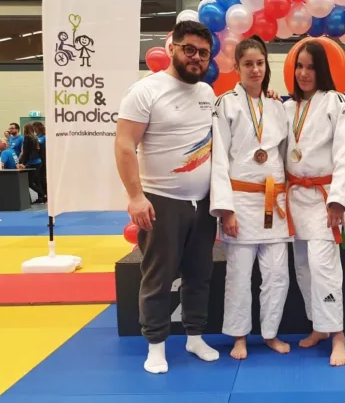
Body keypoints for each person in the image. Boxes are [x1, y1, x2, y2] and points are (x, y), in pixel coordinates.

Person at [114, 20, 220, 374]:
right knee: (158, 277)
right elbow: (124, 145)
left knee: (199, 275)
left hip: (202, 203)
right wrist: (135, 196)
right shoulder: (146, 91)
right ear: (172, 47)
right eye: (189, 49)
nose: (196, 58)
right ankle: (156, 344)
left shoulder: (207, 93)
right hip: (161, 201)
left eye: (203, 53)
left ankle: (194, 336)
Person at [210, 36, 292, 360]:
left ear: (266, 65)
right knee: (239, 276)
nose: (255, 69)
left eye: (260, 63)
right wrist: (225, 210)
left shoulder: (277, 105)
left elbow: (284, 155)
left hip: (274, 201)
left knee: (277, 274)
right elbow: (219, 159)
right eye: (248, 64)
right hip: (241, 202)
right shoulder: (225, 104)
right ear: (237, 67)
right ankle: (239, 337)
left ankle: (270, 333)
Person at [283, 40, 345, 367]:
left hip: (324, 198)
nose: (304, 73)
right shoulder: (287, 107)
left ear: (322, 70)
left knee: (324, 266)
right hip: (295, 196)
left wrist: (338, 201)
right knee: (303, 266)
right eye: (299, 66)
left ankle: (338, 335)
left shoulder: (337, 103)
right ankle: (319, 326)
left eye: (311, 67)